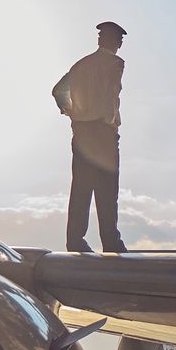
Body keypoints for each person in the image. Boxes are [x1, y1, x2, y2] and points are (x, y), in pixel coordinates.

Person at [52, 20, 128, 253]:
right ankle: (110, 241)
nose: (121, 43)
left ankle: (75, 241)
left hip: (82, 131)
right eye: (120, 39)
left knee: (81, 188)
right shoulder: (115, 63)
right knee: (107, 189)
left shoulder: (80, 65)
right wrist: (106, 118)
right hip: (103, 132)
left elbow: (57, 91)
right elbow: (110, 93)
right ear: (114, 41)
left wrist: (73, 113)